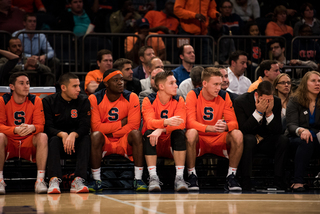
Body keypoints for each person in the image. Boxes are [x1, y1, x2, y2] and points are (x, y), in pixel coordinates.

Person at [88, 68, 147, 192]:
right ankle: (96, 180)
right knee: (95, 135)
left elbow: (133, 126)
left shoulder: (132, 97)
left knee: (136, 134)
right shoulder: (94, 98)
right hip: (104, 142)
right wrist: (121, 123)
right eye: (116, 80)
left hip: (124, 141)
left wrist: (111, 132)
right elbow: (96, 128)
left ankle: (138, 179)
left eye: (121, 79)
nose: (120, 83)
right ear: (106, 84)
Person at [185, 67, 243, 191]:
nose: (218, 88)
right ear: (204, 84)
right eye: (215, 84)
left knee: (237, 134)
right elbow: (190, 123)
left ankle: (231, 176)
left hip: (219, 139)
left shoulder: (224, 96)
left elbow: (234, 123)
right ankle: (191, 175)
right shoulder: (193, 94)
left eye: (220, 84)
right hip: (200, 139)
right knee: (190, 133)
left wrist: (226, 126)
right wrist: (210, 128)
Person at [234, 81, 289, 190]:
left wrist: (269, 114)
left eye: (270, 100)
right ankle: (246, 180)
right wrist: (258, 113)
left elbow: (278, 130)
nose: (268, 103)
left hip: (266, 139)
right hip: (249, 140)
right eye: (265, 100)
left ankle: (278, 180)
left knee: (283, 140)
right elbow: (243, 129)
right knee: (248, 140)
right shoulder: (241, 102)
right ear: (256, 95)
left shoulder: (276, 102)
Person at [0, 72, 48, 194]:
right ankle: (0, 180)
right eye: (21, 83)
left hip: (28, 141)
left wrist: (32, 128)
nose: (26, 86)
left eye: (27, 83)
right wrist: (14, 130)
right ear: (12, 87)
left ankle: (40, 181)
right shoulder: (3, 100)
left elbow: (40, 126)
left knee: (42, 136)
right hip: (9, 141)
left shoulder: (36, 100)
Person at [43, 73, 91, 194]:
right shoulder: (49, 101)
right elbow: (47, 127)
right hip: (58, 139)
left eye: (79, 86)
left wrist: (73, 134)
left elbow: (85, 126)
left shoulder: (84, 100)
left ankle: (79, 180)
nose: (79, 89)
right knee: (53, 140)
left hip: (77, 139)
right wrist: (63, 134)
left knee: (86, 139)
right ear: (63, 88)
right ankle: (54, 180)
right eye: (75, 86)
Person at [142, 70, 188, 192]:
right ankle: (153, 177)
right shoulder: (149, 100)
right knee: (148, 133)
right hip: (153, 141)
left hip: (170, 142)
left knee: (179, 133)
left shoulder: (179, 100)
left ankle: (179, 178)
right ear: (161, 86)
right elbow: (149, 122)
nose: (176, 85)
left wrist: (161, 129)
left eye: (176, 82)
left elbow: (182, 123)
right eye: (172, 83)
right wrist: (166, 122)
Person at [286, 71, 320, 192]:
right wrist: (301, 130)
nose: (317, 84)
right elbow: (291, 124)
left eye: (319, 81)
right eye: (313, 81)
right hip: (297, 138)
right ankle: (298, 182)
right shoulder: (295, 100)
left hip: (318, 138)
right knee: (306, 140)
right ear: (305, 84)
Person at [12, 13, 59, 78]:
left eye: (34, 21)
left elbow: (51, 52)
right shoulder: (17, 34)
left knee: (55, 61)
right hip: (22, 59)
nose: (32, 23)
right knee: (30, 62)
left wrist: (44, 56)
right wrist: (32, 57)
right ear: (24, 23)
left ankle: (50, 84)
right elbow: (14, 51)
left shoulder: (41, 36)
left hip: (38, 59)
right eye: (30, 21)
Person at [174, 0, 218, 64]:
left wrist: (215, 14)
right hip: (185, 32)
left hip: (203, 33)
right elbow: (177, 10)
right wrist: (194, 15)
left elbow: (210, 9)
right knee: (184, 60)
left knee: (206, 60)